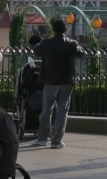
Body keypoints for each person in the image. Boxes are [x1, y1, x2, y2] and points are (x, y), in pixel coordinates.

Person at [32, 20, 86, 149]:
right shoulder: (71, 43)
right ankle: (56, 141)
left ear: (53, 29)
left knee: (46, 110)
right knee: (62, 111)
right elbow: (81, 53)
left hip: (50, 81)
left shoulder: (46, 43)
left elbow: (36, 51)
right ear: (65, 30)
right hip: (66, 81)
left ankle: (42, 138)